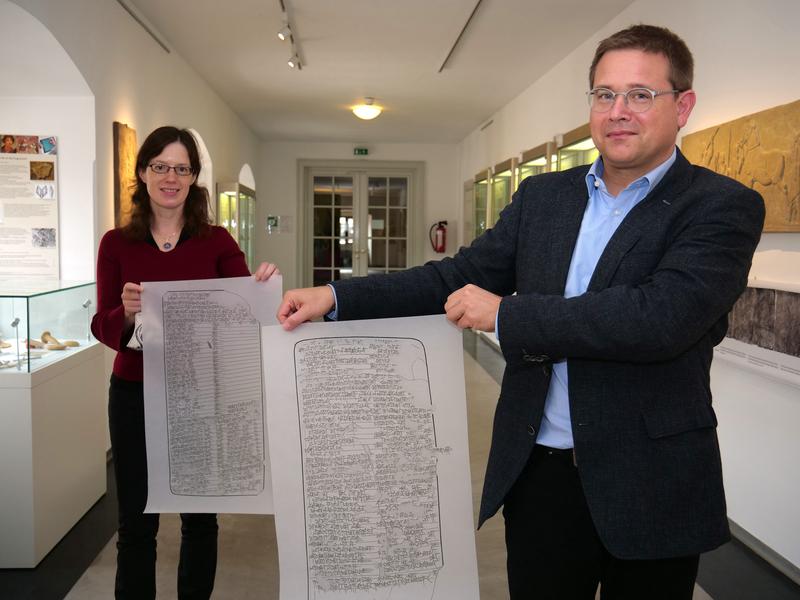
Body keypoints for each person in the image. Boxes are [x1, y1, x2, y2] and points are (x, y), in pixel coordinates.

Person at [270, 24, 765, 600]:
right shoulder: (543, 198)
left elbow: (658, 319)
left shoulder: (720, 206)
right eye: (604, 95)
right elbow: (455, 277)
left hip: (652, 477)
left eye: (639, 94)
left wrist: (506, 315)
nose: (618, 111)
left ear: (682, 106)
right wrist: (337, 296)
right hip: (540, 474)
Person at [92, 126, 279, 600]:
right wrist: (126, 312)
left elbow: (243, 314)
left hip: (201, 396)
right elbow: (101, 325)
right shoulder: (116, 244)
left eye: (181, 168)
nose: (170, 177)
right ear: (142, 172)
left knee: (200, 519)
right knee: (136, 523)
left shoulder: (216, 241)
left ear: (193, 177)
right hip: (135, 394)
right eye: (160, 166)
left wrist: (260, 285)